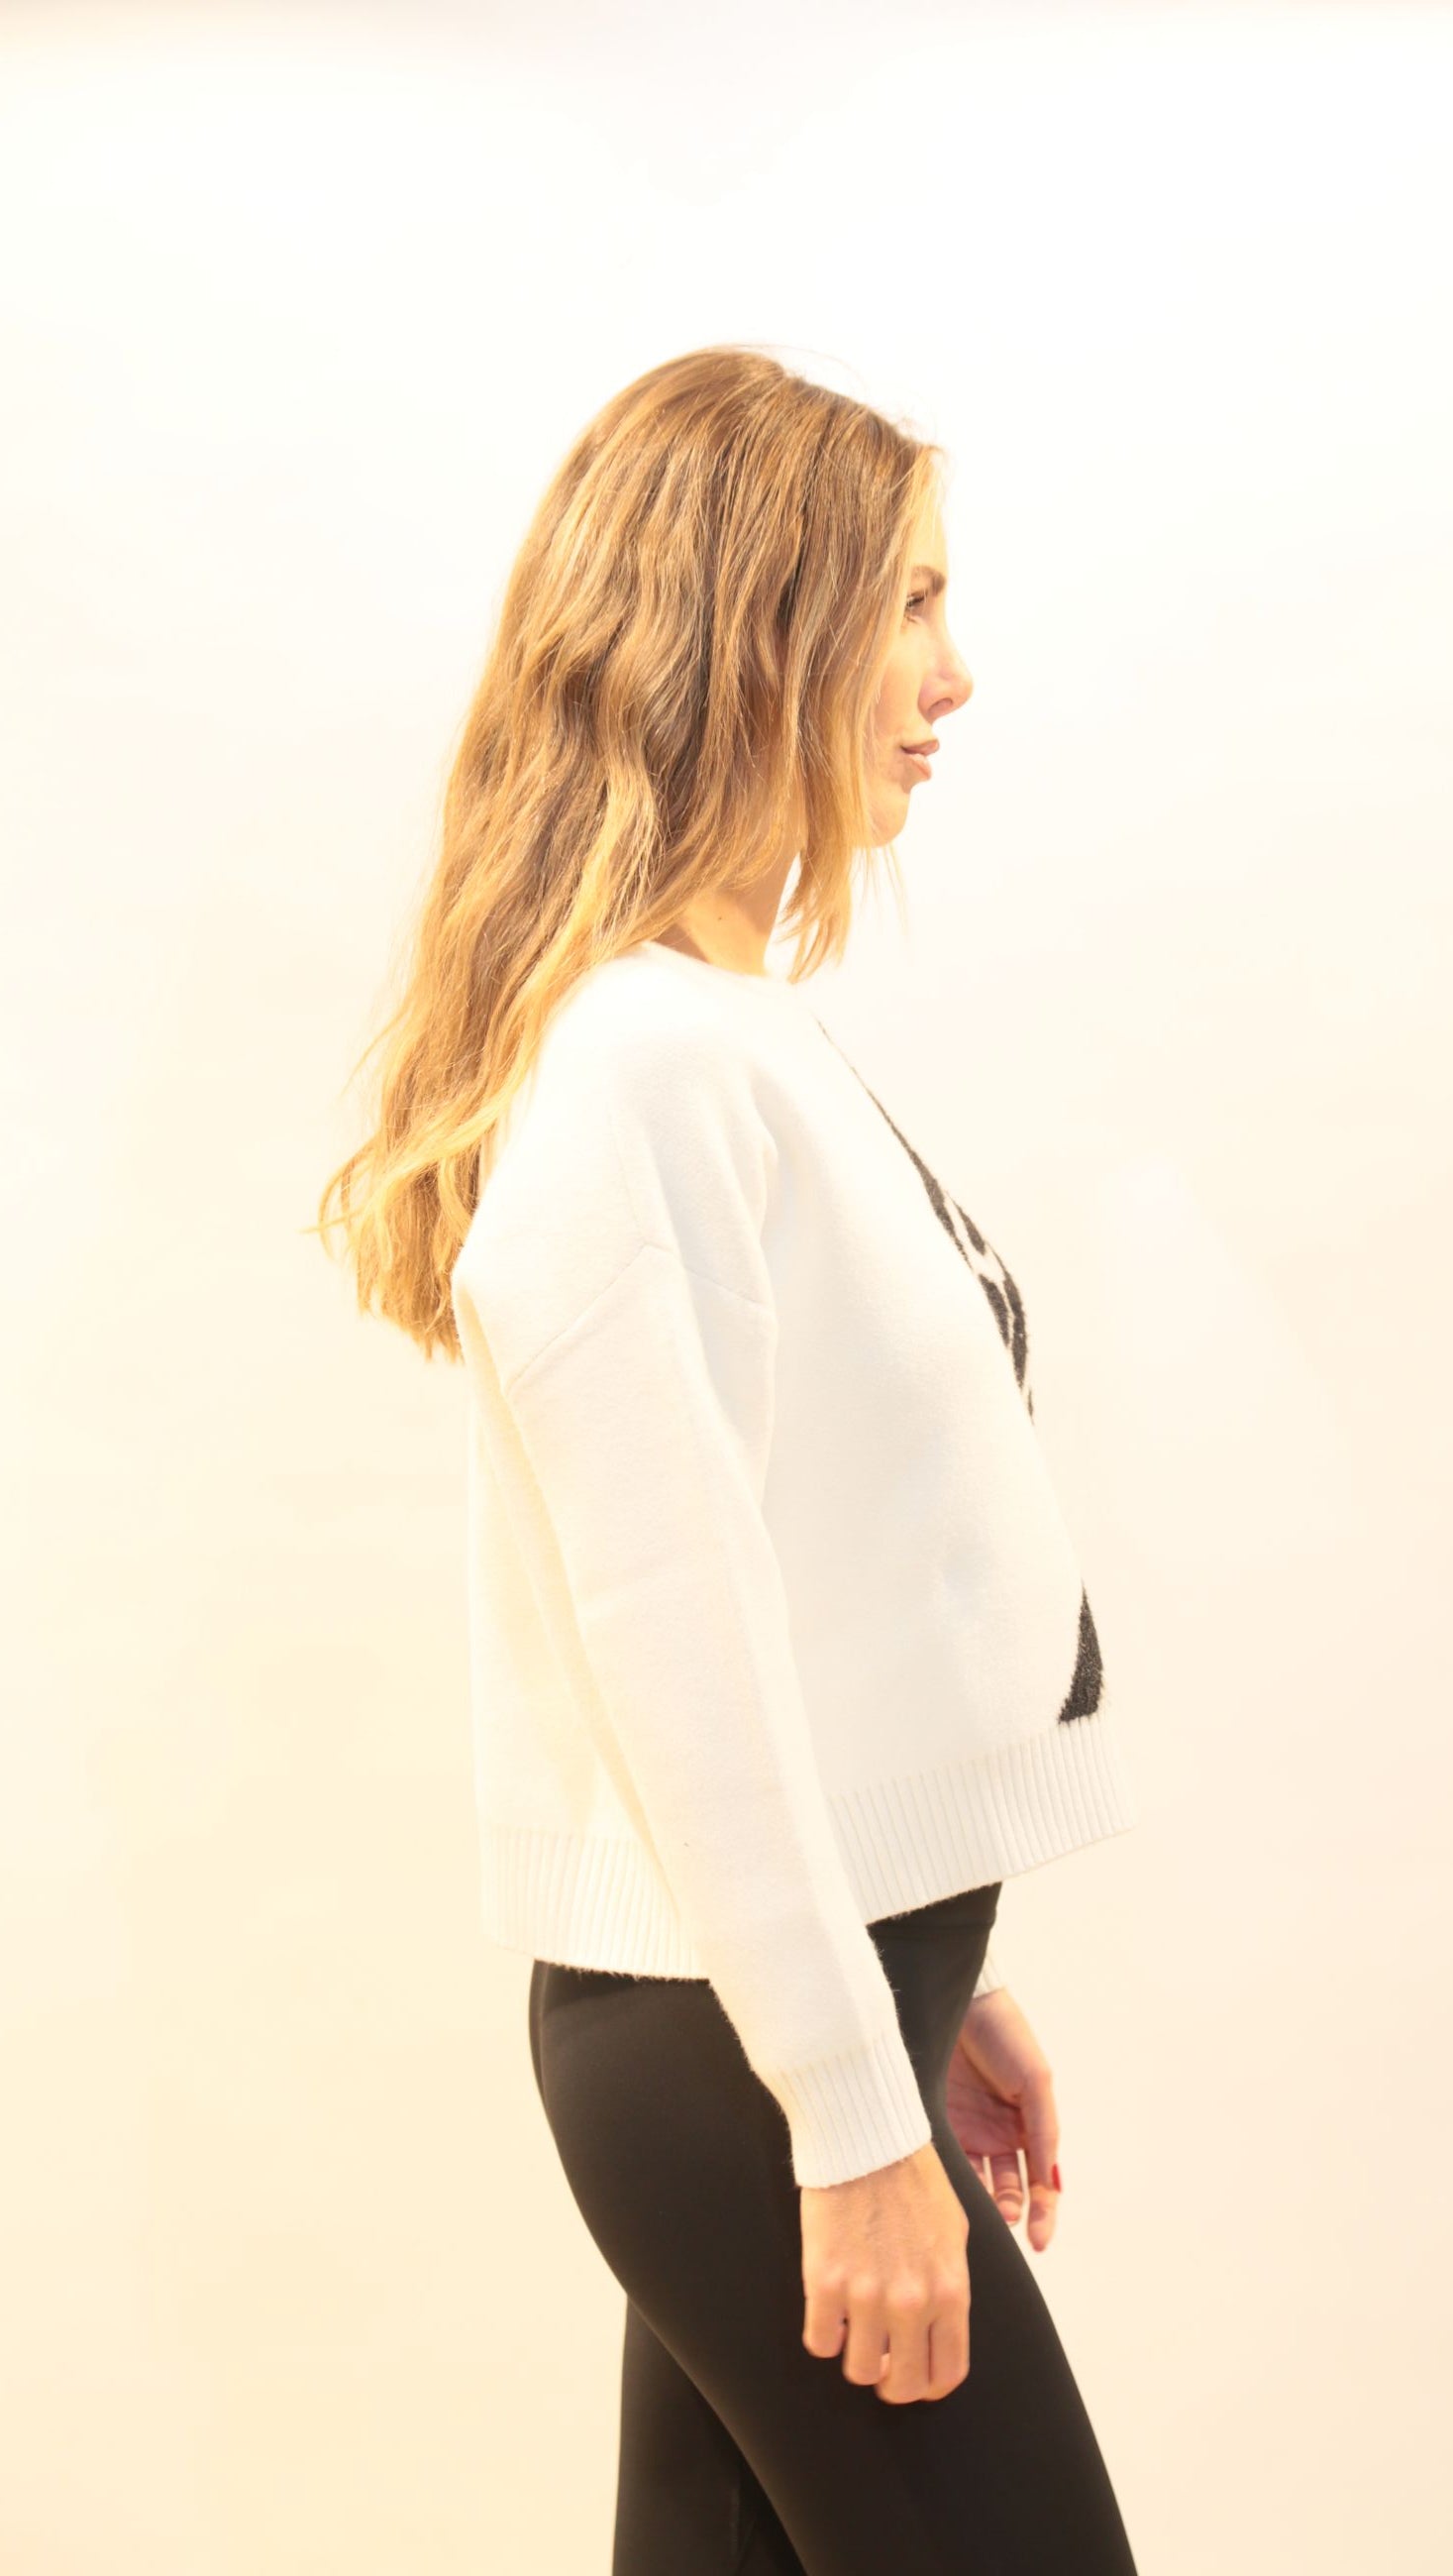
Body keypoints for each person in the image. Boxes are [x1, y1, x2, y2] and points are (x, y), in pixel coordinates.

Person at [317, 345, 1141, 2573]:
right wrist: (846, 2099)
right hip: (733, 2057)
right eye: (910, 605)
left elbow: (797, 1571)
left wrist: (911, 1989)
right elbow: (667, 1629)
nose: (954, 677)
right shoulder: (638, 1069)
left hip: (773, 2018)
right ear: (759, 627)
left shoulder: (719, 1035)